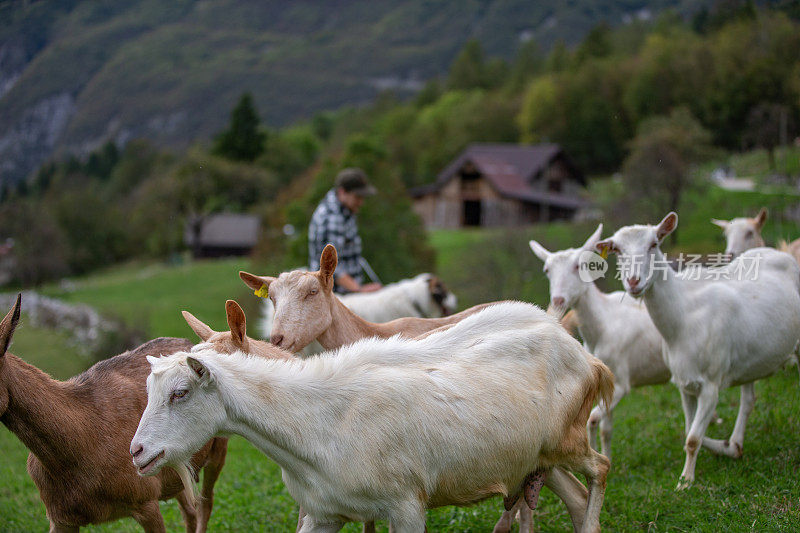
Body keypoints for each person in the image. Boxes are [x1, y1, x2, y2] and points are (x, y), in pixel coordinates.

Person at [308, 168, 383, 294]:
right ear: (342, 192)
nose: (361, 202)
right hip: (335, 296)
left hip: (348, 292)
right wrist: (359, 289)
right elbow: (330, 266)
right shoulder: (332, 217)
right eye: (357, 197)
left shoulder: (345, 211)